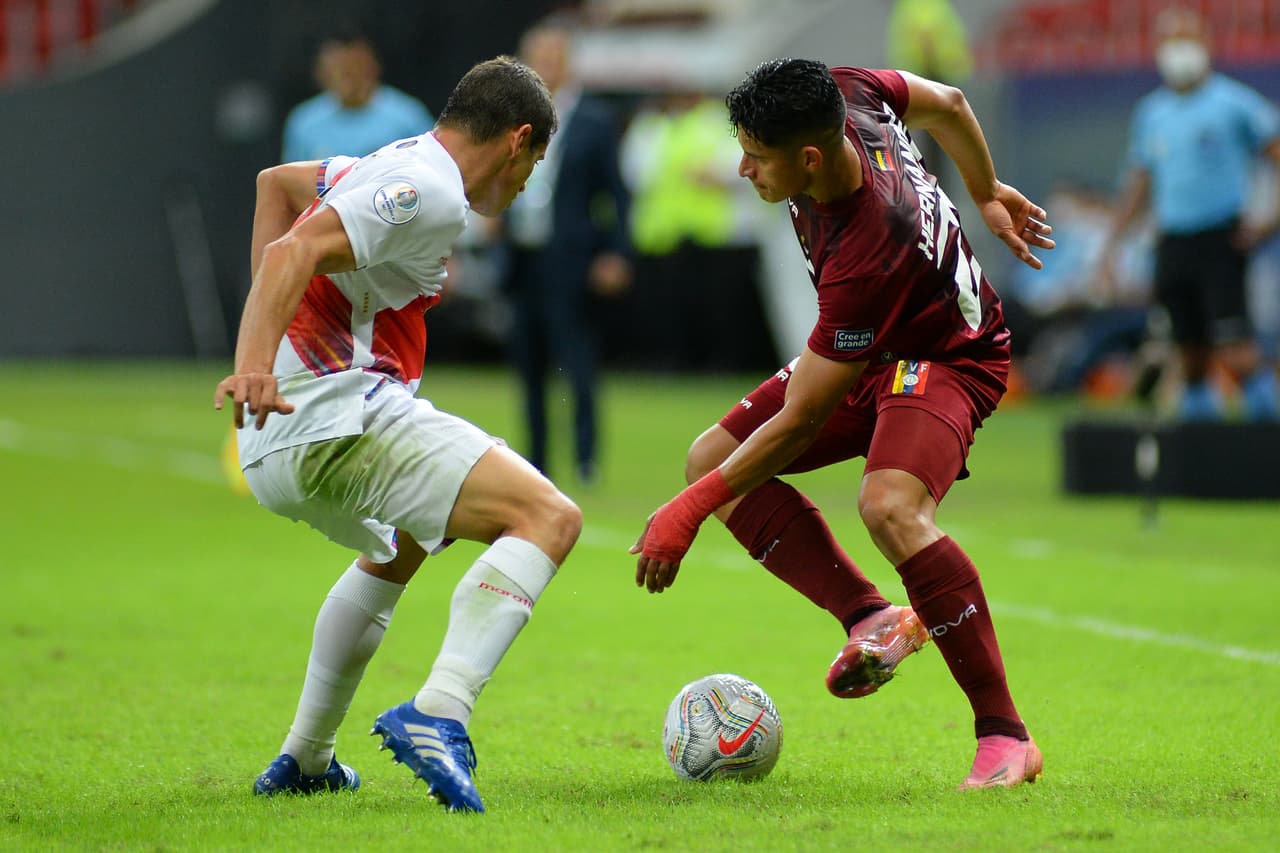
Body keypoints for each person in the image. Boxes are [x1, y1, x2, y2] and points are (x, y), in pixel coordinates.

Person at [630, 59, 1054, 790]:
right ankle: (870, 617)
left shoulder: (869, 245)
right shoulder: (842, 89)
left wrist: (686, 513)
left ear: (809, 158)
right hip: (875, 346)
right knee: (713, 457)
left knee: (889, 506)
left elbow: (802, 421)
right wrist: (985, 192)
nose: (742, 169)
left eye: (756, 157)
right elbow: (950, 103)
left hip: (946, 354)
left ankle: (1005, 735)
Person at [214, 56, 577, 814]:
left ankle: (307, 757)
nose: (525, 184)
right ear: (517, 140)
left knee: (405, 545)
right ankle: (440, 712)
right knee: (547, 517)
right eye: (534, 163)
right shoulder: (429, 192)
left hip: (281, 440)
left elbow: (275, 186)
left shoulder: (386, 162)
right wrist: (256, 365)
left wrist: (274, 351)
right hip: (336, 418)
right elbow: (290, 252)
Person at [1100, 6, 1280, 421]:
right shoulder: (1152, 113)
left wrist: (1269, 220)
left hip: (1220, 238)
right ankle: (1202, 445)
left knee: (1236, 351)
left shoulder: (1233, 103)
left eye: (1186, 39)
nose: (1178, 50)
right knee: (1189, 356)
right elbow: (1139, 181)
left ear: (1205, 44)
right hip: (1173, 242)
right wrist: (1112, 244)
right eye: (1170, 40)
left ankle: (1268, 433)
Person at [497, 18, 632, 483]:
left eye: (553, 59)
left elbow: (617, 193)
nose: (545, 68)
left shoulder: (593, 120)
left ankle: (585, 458)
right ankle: (535, 459)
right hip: (523, 257)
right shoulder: (510, 119)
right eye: (537, 59)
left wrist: (616, 252)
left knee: (577, 361)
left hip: (571, 260)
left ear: (568, 64)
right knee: (529, 365)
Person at [282, 30, 434, 163]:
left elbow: (432, 167)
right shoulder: (304, 123)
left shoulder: (407, 117)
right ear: (321, 74)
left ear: (372, 68)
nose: (347, 79)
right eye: (337, 70)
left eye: (353, 69)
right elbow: (291, 179)